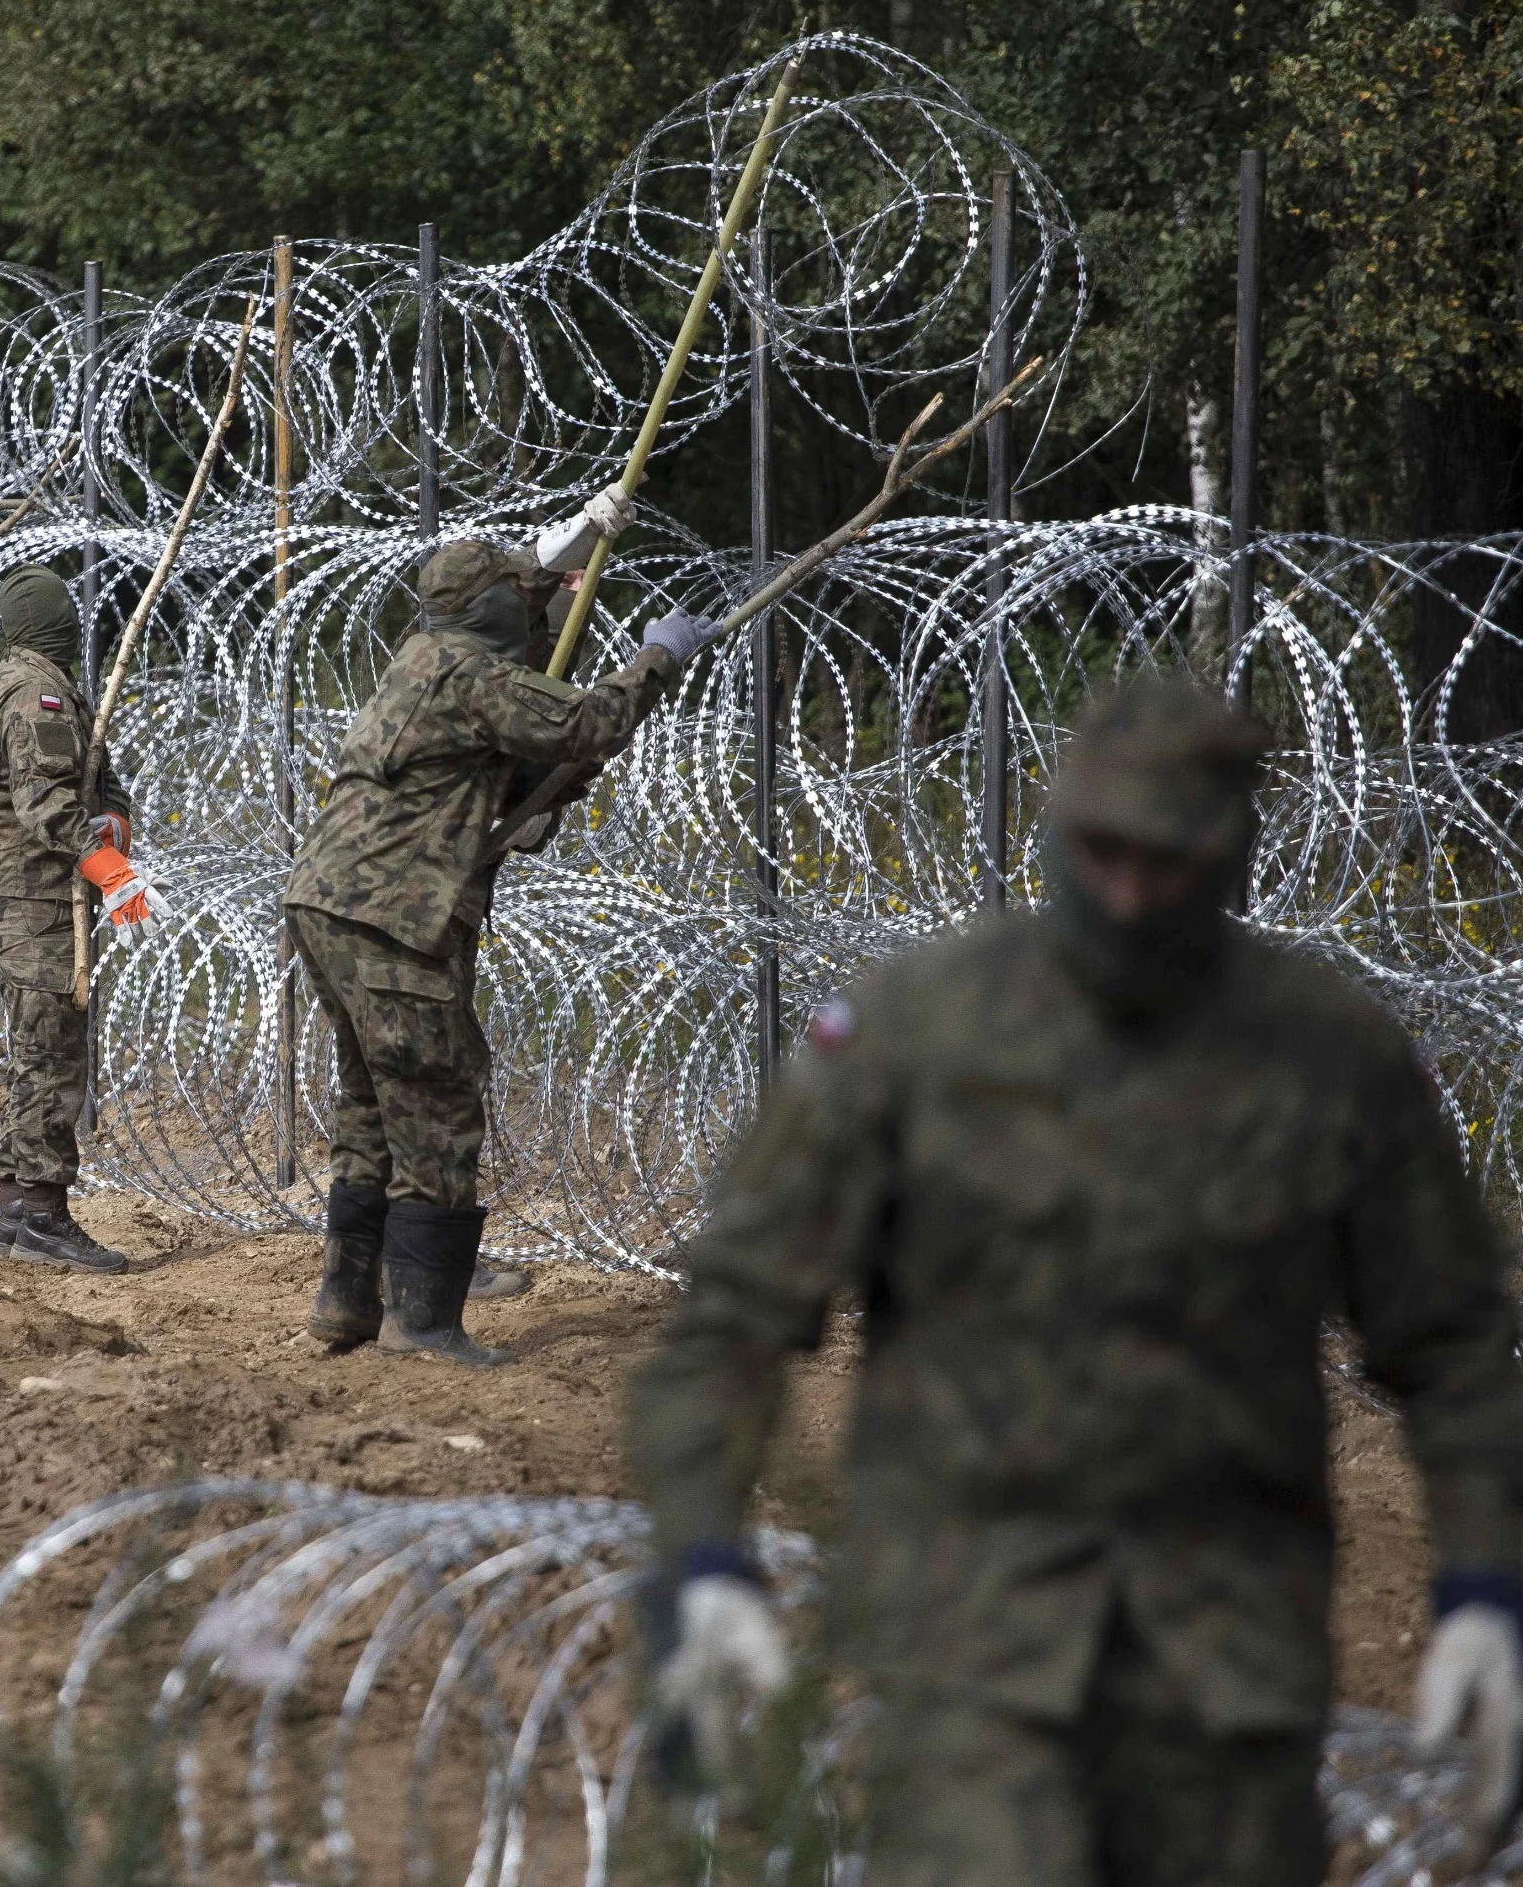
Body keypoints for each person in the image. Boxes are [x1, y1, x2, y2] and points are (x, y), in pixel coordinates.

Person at [624, 676, 1523, 1883]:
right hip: (972, 1647)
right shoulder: (917, 1035)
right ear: (1057, 829)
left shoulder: (1329, 1058)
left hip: (1227, 1664)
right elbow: (729, 1320)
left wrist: (1482, 1583)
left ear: (1228, 851)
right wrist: (699, 1562)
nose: (1129, 890)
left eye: (1167, 859)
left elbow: (1454, 1346)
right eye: (1100, 850)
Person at [280, 487, 709, 1367]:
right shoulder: (475, 678)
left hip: (328, 903)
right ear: (490, 609)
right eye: (520, 595)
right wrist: (658, 659)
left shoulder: (425, 656)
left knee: (372, 1099)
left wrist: (574, 548)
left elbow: (504, 733)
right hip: (394, 915)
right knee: (437, 1101)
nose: (533, 600)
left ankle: (346, 1303)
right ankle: (423, 1323)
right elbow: (588, 724)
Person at [0, 565, 152, 1272]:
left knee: (39, 1056)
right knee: (51, 1060)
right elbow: (44, 804)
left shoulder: (27, 684)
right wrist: (103, 861)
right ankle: (41, 1213)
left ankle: (19, 1210)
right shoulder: (35, 696)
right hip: (34, 903)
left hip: (32, 899)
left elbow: (91, 783)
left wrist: (115, 823)